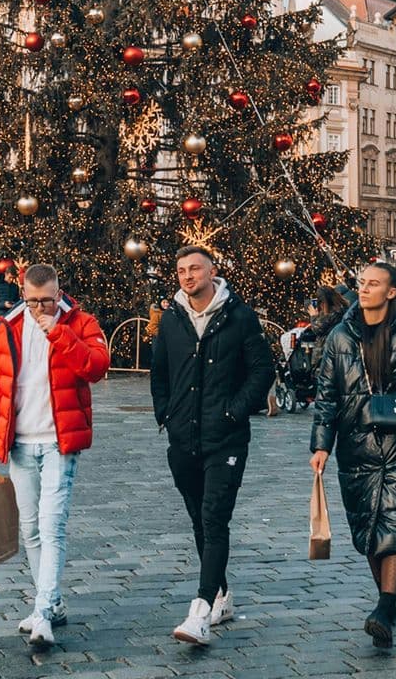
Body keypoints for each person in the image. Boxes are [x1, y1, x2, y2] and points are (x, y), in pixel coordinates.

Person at [0, 263, 111, 650]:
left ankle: (42, 611)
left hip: (58, 441)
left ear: (58, 292)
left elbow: (97, 367)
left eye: (46, 301)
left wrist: (59, 331)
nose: (39, 309)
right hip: (20, 442)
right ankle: (51, 601)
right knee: (30, 528)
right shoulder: (9, 328)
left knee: (52, 526)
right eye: (32, 301)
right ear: (22, 293)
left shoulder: (81, 322)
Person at [149, 244, 275, 645]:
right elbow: (160, 371)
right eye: (182, 270)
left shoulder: (238, 316)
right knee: (199, 519)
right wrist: (165, 413)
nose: (188, 276)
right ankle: (221, 595)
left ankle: (200, 610)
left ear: (212, 271)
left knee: (214, 517)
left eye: (195, 269)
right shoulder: (172, 318)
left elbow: (262, 371)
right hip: (182, 436)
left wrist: (233, 411)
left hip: (226, 437)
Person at [310, 263, 396, 646]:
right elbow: (327, 395)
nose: (364, 289)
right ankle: (387, 601)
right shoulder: (340, 337)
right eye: (362, 283)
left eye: (374, 284)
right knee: (369, 528)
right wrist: (321, 445)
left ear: (392, 292)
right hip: (356, 445)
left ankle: (384, 604)